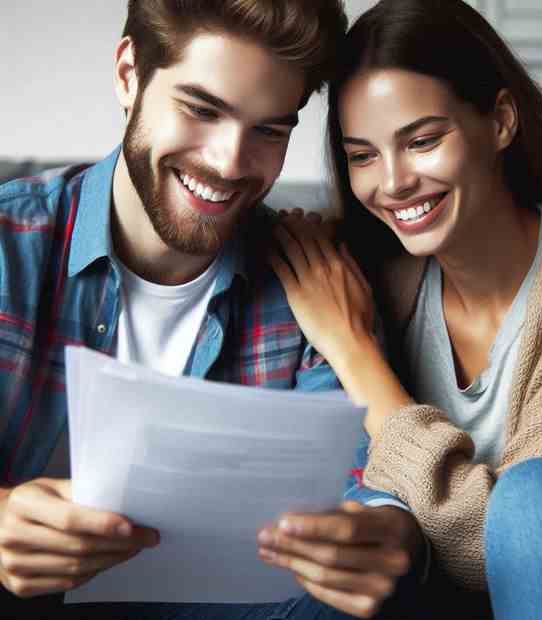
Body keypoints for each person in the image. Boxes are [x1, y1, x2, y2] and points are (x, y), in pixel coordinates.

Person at [0, 2, 424, 618]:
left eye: (270, 130)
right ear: (128, 74)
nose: (229, 164)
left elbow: (366, 485)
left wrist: (390, 536)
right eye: (201, 110)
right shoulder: (11, 242)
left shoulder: (306, 277)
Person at [268, 0, 542, 618]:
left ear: (502, 121)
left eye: (423, 141)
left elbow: (507, 545)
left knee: (535, 494)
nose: (394, 182)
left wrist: (356, 356)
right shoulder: (373, 279)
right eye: (363, 155)